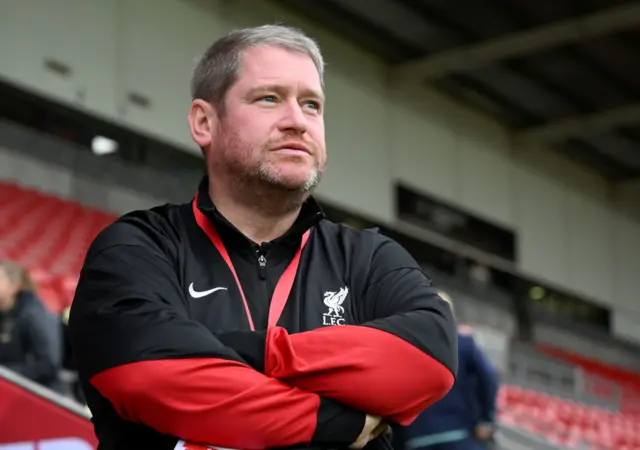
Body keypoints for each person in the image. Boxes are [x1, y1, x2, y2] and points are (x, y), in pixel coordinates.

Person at [68, 24, 458, 450]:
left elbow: (431, 359)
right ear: (204, 122)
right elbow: (146, 374)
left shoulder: (369, 257)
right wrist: (335, 423)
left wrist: (256, 354)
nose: (297, 121)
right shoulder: (136, 248)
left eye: (312, 105)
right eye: (269, 98)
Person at [400, 319, 498, 450]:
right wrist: (486, 420)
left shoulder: (406, 344)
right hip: (459, 432)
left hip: (417, 436)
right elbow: (488, 377)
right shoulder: (462, 342)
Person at [0, 260, 62, 390]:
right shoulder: (4, 314)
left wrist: (6, 373)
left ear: (14, 285)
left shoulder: (34, 314)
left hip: (40, 394)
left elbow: (48, 366)